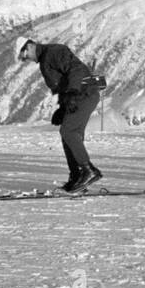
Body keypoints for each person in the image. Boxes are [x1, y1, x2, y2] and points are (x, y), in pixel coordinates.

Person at [17, 38, 102, 193]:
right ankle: (77, 176)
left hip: (84, 94)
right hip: (79, 96)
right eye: (23, 58)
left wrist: (72, 93)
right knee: (69, 135)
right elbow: (62, 84)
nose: (25, 58)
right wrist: (63, 107)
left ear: (30, 45)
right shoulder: (45, 60)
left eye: (24, 54)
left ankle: (88, 171)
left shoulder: (53, 51)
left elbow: (76, 69)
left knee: (68, 131)